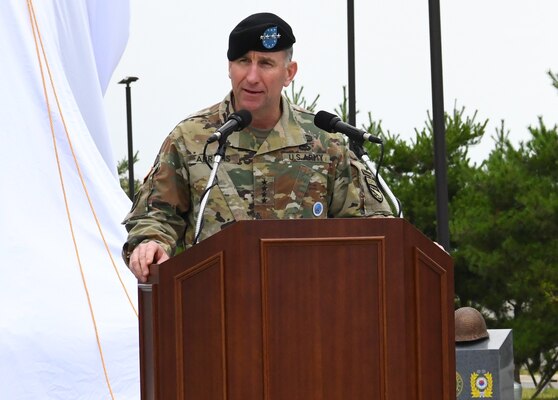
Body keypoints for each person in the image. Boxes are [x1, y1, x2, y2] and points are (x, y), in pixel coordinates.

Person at [123, 12, 392, 282]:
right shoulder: (192, 138)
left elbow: (372, 225)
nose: (251, 76)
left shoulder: (325, 140)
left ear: (289, 73)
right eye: (243, 62)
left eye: (265, 63)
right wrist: (150, 243)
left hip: (310, 306)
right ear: (230, 67)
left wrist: (409, 248)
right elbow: (155, 216)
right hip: (213, 305)